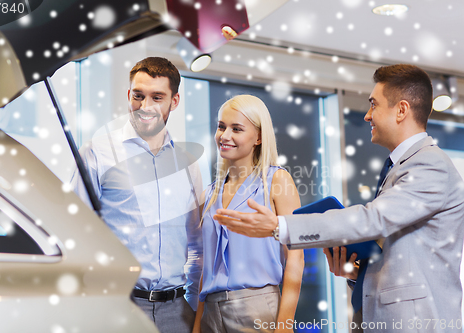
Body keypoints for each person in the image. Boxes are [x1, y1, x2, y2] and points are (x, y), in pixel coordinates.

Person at [212, 64, 464, 332]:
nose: (367, 116)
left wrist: (280, 226)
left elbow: (373, 219)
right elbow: (401, 254)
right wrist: (359, 274)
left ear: (401, 110)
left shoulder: (430, 165)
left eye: (373, 105)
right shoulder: (399, 167)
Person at [71, 57, 203, 332]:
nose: (145, 107)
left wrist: (191, 304)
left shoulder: (188, 164)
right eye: (138, 96)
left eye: (157, 97)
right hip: (118, 309)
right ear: (128, 95)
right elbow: (75, 231)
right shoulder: (97, 152)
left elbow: (197, 244)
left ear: (174, 101)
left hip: (178, 312)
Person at [192, 95, 304, 333]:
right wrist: (197, 325)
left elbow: (296, 257)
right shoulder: (209, 194)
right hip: (211, 311)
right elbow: (206, 268)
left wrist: (285, 324)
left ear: (259, 137)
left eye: (237, 129)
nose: (224, 136)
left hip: (257, 307)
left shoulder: (277, 180)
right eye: (221, 127)